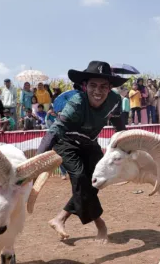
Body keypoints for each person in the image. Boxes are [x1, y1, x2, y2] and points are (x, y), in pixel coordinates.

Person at [36, 60, 127, 242]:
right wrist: (37, 162)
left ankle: (60, 218)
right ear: (84, 86)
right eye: (93, 85)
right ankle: (100, 223)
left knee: (96, 180)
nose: (98, 91)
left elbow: (118, 124)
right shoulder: (77, 101)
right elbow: (55, 130)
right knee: (79, 177)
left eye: (103, 86)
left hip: (91, 144)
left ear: (110, 88)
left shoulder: (115, 101)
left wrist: (125, 142)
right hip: (66, 142)